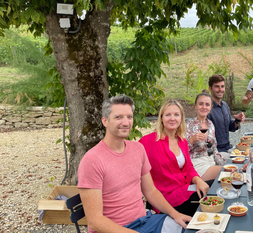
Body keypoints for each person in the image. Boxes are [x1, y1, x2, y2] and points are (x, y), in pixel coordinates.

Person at [77, 95, 191, 233]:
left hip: (145, 222)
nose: (126, 122)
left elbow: (151, 191)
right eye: (118, 117)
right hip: (117, 229)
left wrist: (175, 214)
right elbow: (95, 221)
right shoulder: (92, 160)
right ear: (105, 121)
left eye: (129, 117)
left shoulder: (137, 149)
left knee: (190, 229)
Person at [139, 99, 210, 217]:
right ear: (161, 118)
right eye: (168, 115)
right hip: (164, 199)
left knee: (214, 186)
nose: (172, 118)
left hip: (184, 190)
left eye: (176, 115)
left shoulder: (182, 141)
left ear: (181, 118)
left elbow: (189, 167)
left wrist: (198, 180)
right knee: (212, 197)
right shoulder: (147, 142)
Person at [186, 92, 223, 181]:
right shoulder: (188, 125)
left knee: (228, 169)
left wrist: (222, 163)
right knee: (225, 173)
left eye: (207, 104)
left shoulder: (210, 124)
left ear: (210, 107)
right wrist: (192, 140)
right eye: (201, 104)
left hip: (210, 161)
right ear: (195, 106)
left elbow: (214, 149)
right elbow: (181, 152)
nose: (204, 107)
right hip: (196, 164)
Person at [207, 74, 245, 159]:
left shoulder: (225, 105)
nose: (220, 89)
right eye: (217, 87)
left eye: (222, 86)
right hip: (217, 151)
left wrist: (237, 120)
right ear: (210, 88)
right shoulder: (207, 109)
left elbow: (230, 127)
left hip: (228, 148)